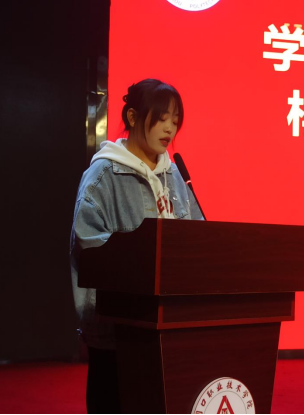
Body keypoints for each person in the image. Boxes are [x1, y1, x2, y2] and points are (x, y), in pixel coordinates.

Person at [69, 79, 204, 414]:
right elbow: (90, 247)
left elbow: (198, 239)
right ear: (132, 117)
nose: (170, 128)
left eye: (175, 120)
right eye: (162, 118)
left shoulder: (174, 175)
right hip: (117, 335)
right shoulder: (104, 175)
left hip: (166, 329)